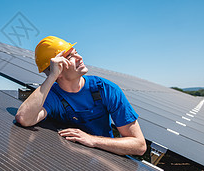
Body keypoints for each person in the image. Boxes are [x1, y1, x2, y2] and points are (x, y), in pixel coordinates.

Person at [15, 36, 147, 156]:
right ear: (58, 69)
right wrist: (52, 77)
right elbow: (24, 118)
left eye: (76, 52)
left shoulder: (106, 90)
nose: (79, 57)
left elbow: (139, 145)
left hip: (105, 159)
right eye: (69, 57)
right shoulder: (52, 95)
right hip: (68, 163)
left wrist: (92, 140)